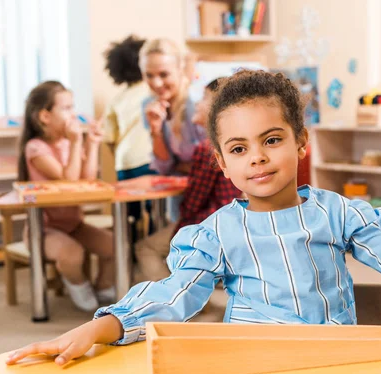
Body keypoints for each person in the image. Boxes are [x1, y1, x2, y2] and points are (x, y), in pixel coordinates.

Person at [6, 71, 381, 366]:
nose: (257, 156)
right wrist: (99, 327)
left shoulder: (336, 212)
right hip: (252, 371)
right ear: (221, 161)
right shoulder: (213, 234)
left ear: (301, 142)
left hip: (339, 363)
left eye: (271, 139)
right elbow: (168, 296)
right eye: (238, 148)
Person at [15, 81, 115, 312]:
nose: (74, 114)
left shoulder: (68, 144)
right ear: (45, 116)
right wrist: (76, 142)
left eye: (73, 107)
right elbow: (68, 183)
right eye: (67, 108)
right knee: (72, 253)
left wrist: (91, 144)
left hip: (73, 225)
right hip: (43, 230)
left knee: (113, 245)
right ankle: (79, 285)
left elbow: (87, 180)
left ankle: (103, 286)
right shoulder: (36, 147)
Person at [134, 79, 240, 282]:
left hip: (206, 227)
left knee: (145, 247)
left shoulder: (206, 148)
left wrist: (181, 226)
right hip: (227, 223)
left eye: (204, 99)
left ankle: (174, 301)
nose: (197, 104)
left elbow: (191, 206)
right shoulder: (231, 143)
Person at [140, 38, 204, 222]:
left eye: (164, 74)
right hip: (180, 196)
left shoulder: (196, 104)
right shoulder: (149, 106)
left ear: (180, 70)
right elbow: (165, 167)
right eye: (149, 75)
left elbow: (214, 162)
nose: (157, 83)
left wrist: (183, 166)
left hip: (210, 198)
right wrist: (155, 130)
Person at [102, 34, 155, 245]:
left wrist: (120, 157)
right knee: (154, 210)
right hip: (149, 158)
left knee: (128, 214)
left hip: (124, 162)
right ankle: (154, 250)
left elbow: (109, 138)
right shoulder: (154, 90)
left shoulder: (116, 100)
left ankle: (128, 254)